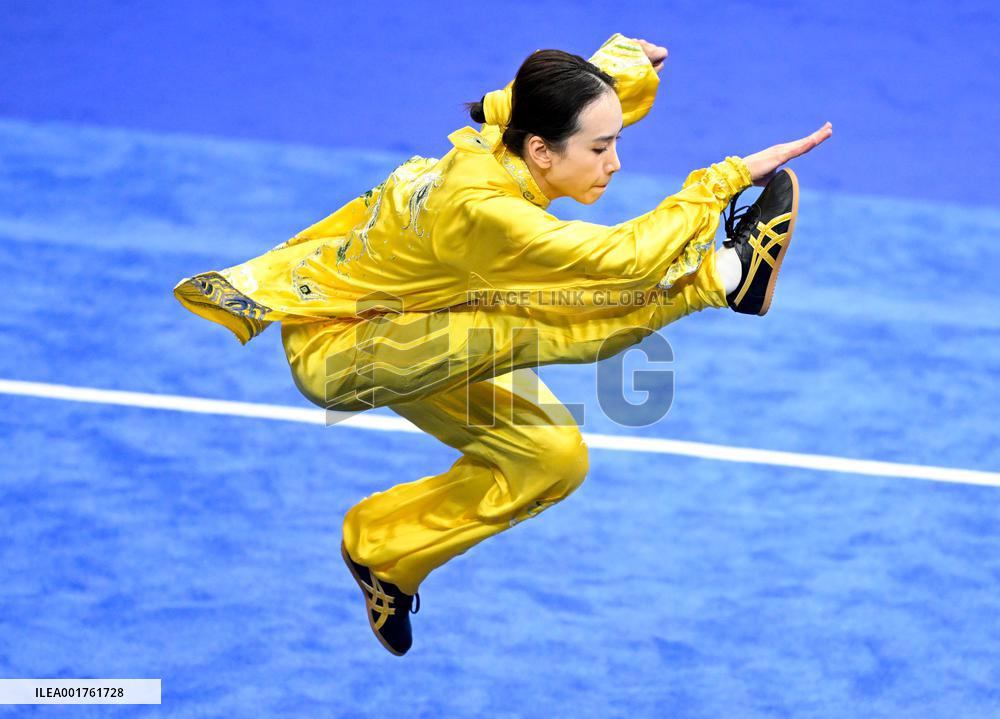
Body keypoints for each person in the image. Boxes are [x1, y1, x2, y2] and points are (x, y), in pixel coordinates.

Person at [172, 33, 832, 656]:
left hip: (419, 314)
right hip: (344, 345)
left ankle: (384, 549)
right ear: (542, 151)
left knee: (551, 459)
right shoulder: (483, 209)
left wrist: (617, 66)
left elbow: (524, 98)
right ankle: (724, 278)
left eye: (615, 142)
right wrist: (724, 177)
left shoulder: (512, 135)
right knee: (544, 316)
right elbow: (621, 260)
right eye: (600, 149)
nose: (615, 162)